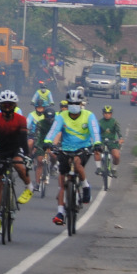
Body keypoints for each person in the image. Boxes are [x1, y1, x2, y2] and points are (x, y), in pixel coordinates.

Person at [44, 89, 102, 225]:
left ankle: (85, 185)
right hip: (65, 149)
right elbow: (54, 130)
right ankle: (60, 212)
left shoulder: (89, 115)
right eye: (71, 103)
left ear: (81, 103)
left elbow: (95, 131)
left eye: (76, 103)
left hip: (83, 148)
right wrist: (47, 141)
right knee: (62, 180)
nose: (74, 105)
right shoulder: (61, 116)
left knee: (77, 163)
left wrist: (97, 143)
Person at [0, 90, 33, 232]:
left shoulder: (21, 119)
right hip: (1, 150)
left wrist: (25, 156)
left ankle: (29, 187)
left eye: (10, 105)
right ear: (0, 106)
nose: (7, 107)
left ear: (14, 105)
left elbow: (23, 140)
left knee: (19, 165)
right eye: (4, 105)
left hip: (15, 148)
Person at [99, 105, 122, 170]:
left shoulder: (114, 122)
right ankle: (99, 168)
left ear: (111, 114)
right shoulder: (100, 122)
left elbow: (118, 131)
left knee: (116, 156)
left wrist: (121, 138)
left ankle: (114, 169)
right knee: (97, 153)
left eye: (109, 113)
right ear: (103, 114)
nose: (107, 115)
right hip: (102, 141)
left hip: (112, 142)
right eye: (105, 113)